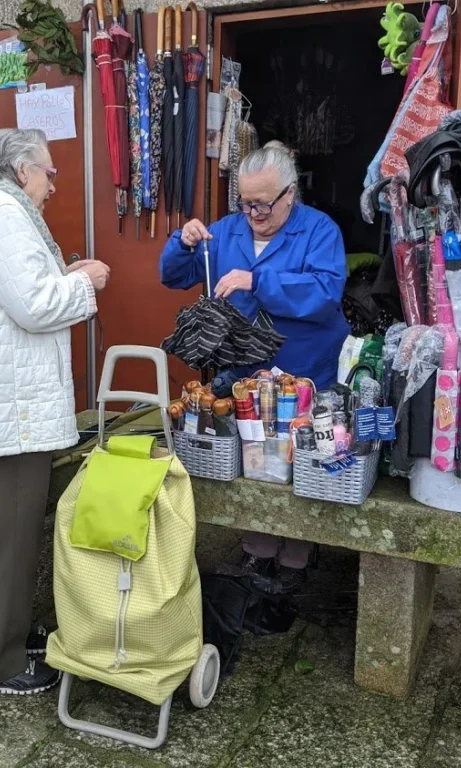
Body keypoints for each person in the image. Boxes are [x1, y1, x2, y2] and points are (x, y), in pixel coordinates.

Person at [0, 128, 111, 695]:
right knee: (10, 541)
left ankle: (11, 633)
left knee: (7, 535)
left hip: (3, 406)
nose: (53, 184)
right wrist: (85, 283)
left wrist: (65, 278)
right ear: (20, 172)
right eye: (48, 172)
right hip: (8, 412)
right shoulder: (1, 215)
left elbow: (21, 294)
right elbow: (36, 306)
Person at [159, 141, 349, 591]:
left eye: (263, 204)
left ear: (290, 194)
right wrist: (181, 242)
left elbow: (325, 294)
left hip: (306, 369)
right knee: (255, 458)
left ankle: (298, 556)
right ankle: (258, 550)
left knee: (297, 459)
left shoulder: (319, 230)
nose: (254, 214)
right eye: (245, 203)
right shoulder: (227, 231)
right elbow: (174, 276)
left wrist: (257, 279)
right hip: (246, 374)